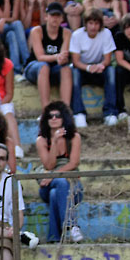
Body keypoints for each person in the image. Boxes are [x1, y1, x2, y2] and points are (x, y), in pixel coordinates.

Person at [36, 102, 83, 243]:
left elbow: (73, 163)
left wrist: (53, 175)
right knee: (58, 185)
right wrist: (54, 142)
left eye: (58, 115)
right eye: (50, 116)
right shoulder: (41, 140)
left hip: (73, 187)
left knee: (55, 194)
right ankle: (71, 225)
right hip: (48, 185)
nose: (54, 118)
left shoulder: (74, 137)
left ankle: (54, 238)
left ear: (64, 118)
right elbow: (49, 165)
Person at [69, 9, 117, 127]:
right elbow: (75, 61)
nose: (93, 27)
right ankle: (78, 113)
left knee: (111, 71)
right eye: (90, 23)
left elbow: (107, 59)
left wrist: (101, 66)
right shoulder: (77, 35)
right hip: (83, 69)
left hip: (100, 68)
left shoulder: (106, 33)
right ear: (85, 23)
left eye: (96, 23)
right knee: (73, 73)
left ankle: (110, 112)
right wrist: (89, 68)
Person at [23, 2, 72, 109]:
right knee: (43, 66)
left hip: (54, 68)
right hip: (34, 68)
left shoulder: (66, 33)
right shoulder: (37, 31)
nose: (55, 18)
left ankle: (66, 109)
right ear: (46, 17)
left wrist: (61, 58)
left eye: (58, 16)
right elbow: (40, 57)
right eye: (52, 15)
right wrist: (56, 57)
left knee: (66, 69)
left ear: (62, 18)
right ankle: (46, 110)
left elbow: (63, 58)